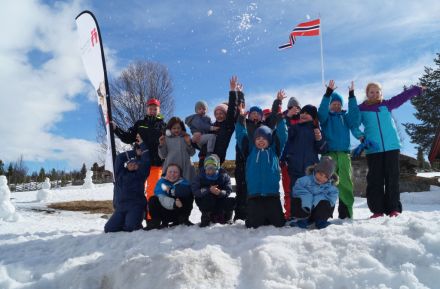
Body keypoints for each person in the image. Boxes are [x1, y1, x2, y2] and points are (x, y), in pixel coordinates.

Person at [352, 83, 423, 218]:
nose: (375, 94)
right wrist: (361, 138)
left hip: (391, 147)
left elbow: (402, 97)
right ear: (367, 94)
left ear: (381, 93)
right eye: (371, 92)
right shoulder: (361, 109)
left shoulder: (387, 105)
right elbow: (354, 125)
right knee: (375, 180)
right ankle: (377, 210)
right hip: (373, 149)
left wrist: (416, 90)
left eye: (377, 92)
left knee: (392, 178)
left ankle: (393, 209)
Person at [233, 89, 285, 221]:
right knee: (252, 225)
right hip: (254, 195)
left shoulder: (274, 151)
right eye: (258, 139)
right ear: (254, 141)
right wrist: (240, 117)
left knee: (278, 223)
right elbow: (241, 135)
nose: (261, 140)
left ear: (269, 140)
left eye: (264, 138)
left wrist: (280, 116)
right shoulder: (249, 151)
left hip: (272, 195)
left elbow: (282, 135)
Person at [112, 98, 166, 209]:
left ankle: (152, 219)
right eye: (150, 108)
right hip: (140, 163)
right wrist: (116, 129)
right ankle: (135, 217)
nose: (152, 111)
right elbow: (128, 138)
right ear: (147, 109)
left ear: (159, 110)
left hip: (156, 164)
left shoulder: (164, 126)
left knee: (153, 191)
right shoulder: (140, 124)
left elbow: (171, 141)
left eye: (155, 109)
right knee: (135, 190)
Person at [318, 80, 360, 219]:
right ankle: (324, 214)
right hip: (328, 155)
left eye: (338, 104)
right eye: (333, 104)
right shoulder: (325, 118)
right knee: (325, 183)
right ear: (330, 104)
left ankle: (346, 214)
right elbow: (321, 112)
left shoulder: (345, 117)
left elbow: (355, 119)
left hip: (343, 154)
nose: (336, 106)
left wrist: (352, 97)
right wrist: (328, 94)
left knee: (346, 183)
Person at [104, 136, 150, 233]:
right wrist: (135, 153)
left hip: (135, 206)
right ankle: (124, 222)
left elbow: (146, 161)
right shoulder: (120, 173)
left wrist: (143, 146)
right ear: (127, 164)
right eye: (130, 163)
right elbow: (120, 158)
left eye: (135, 164)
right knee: (109, 229)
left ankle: (132, 221)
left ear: (138, 166)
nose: (133, 165)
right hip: (120, 207)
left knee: (131, 227)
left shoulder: (140, 174)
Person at [285, 104, 327, 207]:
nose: (303, 114)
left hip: (311, 169)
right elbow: (285, 133)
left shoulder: (316, 130)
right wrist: (288, 117)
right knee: (296, 193)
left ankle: (311, 216)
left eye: (307, 113)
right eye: (302, 112)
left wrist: (319, 139)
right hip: (295, 168)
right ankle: (297, 217)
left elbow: (323, 149)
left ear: (313, 117)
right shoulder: (294, 128)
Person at [290, 156, 339, 229]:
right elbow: (297, 190)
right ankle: (302, 221)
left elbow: (332, 198)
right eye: (320, 174)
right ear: (316, 171)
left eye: (325, 177)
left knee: (324, 201)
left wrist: (318, 198)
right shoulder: (305, 180)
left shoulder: (330, 187)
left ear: (329, 178)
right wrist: (308, 197)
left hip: (318, 213)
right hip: (305, 210)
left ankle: (321, 222)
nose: (322, 178)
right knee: (300, 198)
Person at [192, 154, 236, 227]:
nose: (210, 170)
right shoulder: (200, 176)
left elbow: (228, 190)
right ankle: (206, 219)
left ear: (217, 167)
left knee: (231, 201)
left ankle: (228, 218)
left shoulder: (224, 175)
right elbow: (196, 191)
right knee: (208, 198)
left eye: (212, 167)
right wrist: (208, 190)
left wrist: (220, 192)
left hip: (219, 200)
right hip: (205, 202)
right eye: (207, 167)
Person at [147, 164, 194, 229]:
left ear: (180, 174)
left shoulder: (184, 182)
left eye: (175, 172)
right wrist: (174, 203)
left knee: (188, 194)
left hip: (178, 212)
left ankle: (183, 219)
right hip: (166, 212)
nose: (172, 174)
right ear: (166, 173)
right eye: (170, 172)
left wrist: (171, 191)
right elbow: (161, 197)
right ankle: (156, 221)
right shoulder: (161, 182)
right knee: (153, 199)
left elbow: (185, 191)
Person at [279, 96, 301, 220]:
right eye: (291, 108)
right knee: (287, 189)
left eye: (297, 107)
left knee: (300, 188)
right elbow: (281, 135)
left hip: (299, 160)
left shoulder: (303, 120)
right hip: (286, 160)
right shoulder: (283, 119)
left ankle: (301, 213)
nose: (294, 110)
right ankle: (289, 213)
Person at [159, 117, 196, 182]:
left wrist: (189, 144)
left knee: (185, 188)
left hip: (185, 169)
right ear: (169, 129)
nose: (176, 130)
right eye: (174, 128)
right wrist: (161, 145)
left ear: (182, 128)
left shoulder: (186, 137)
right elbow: (162, 156)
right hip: (171, 169)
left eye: (178, 128)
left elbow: (192, 153)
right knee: (170, 189)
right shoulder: (166, 139)